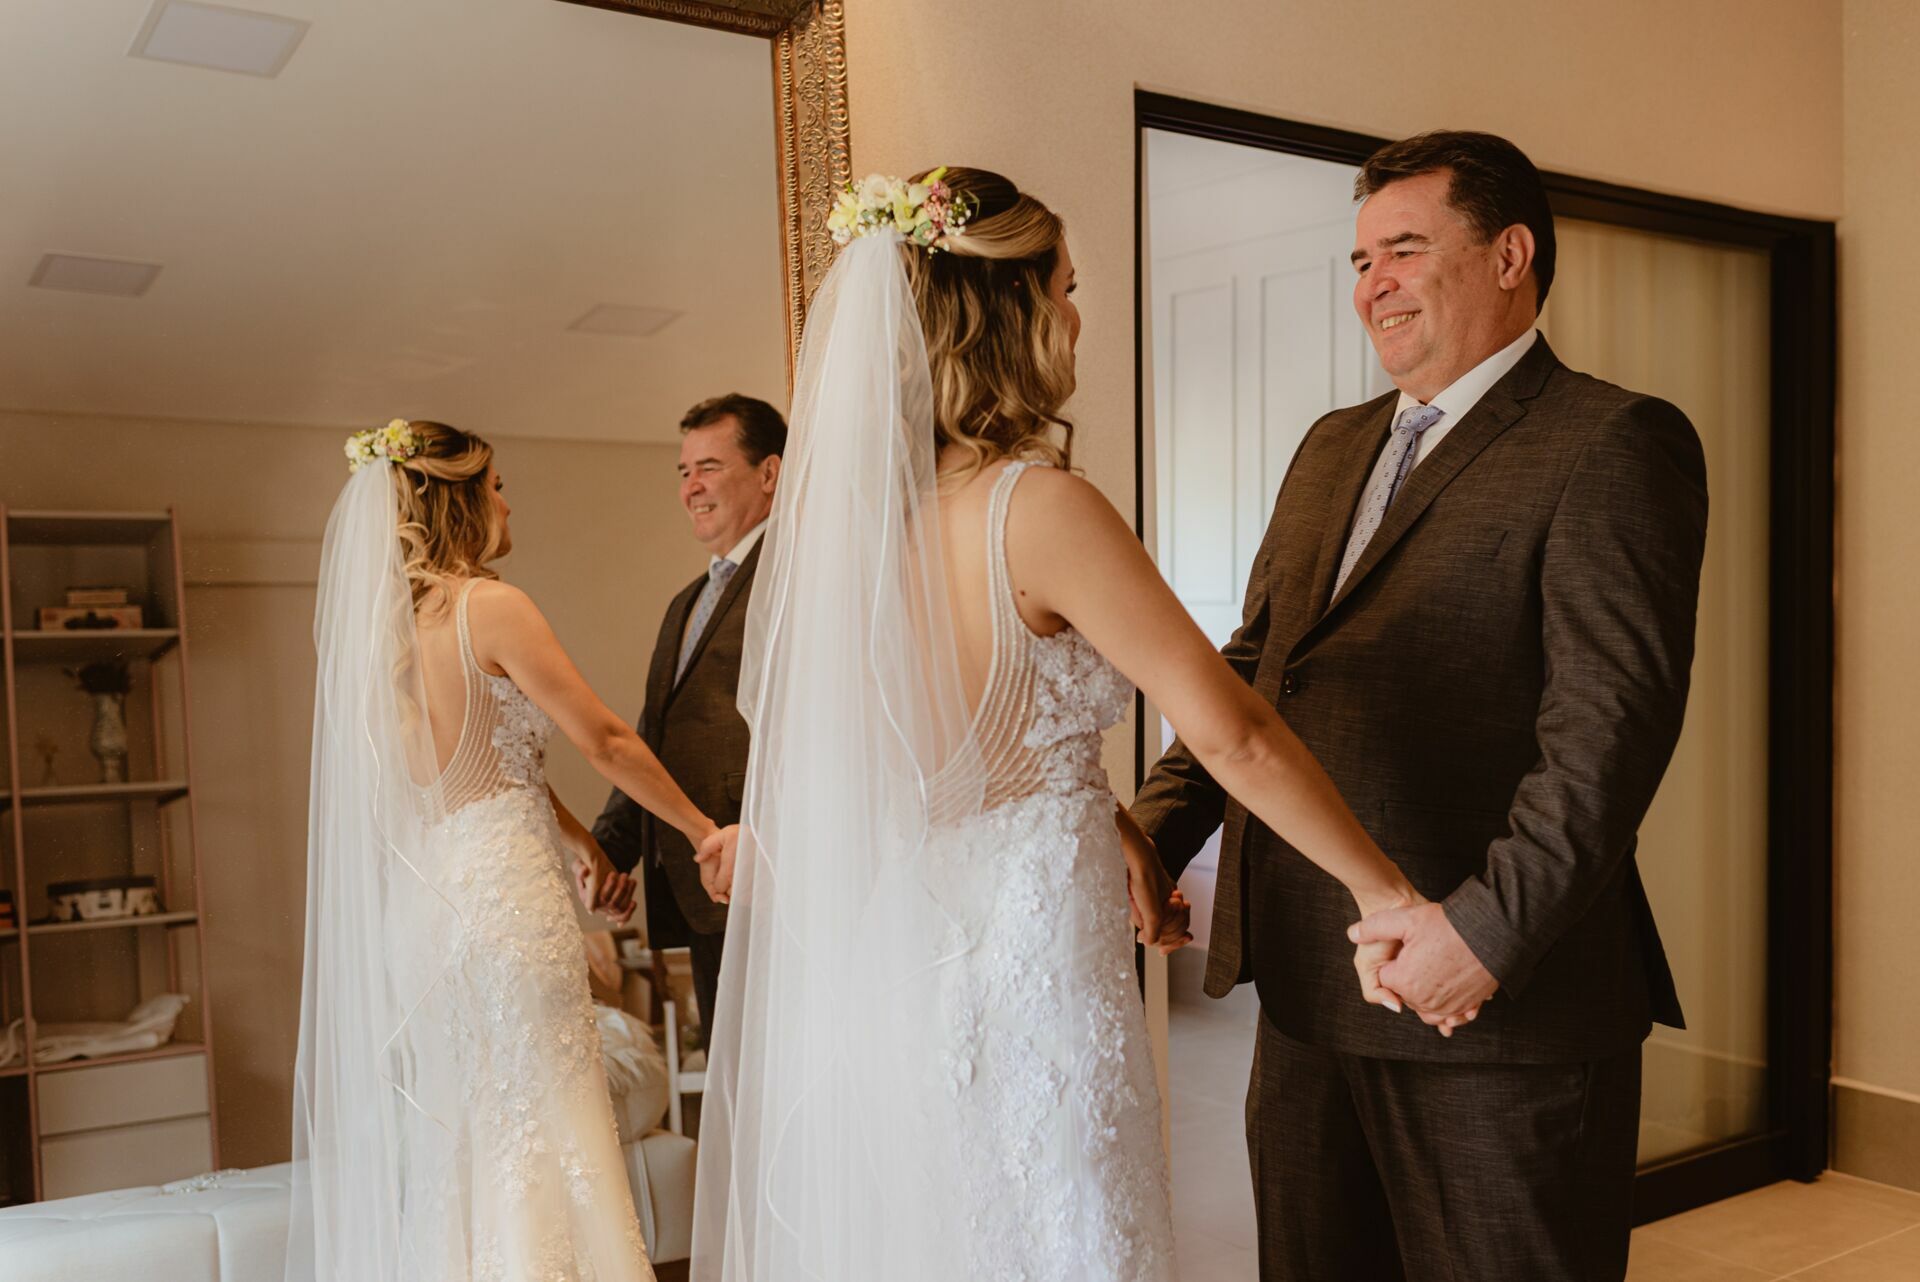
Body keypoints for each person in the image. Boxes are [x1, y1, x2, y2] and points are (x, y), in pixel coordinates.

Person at [691, 168, 1434, 1282]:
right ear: (1010, 313)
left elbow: (937, 761)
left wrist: (1112, 819)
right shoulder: (1037, 510)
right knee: (1058, 1219)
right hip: (1030, 975)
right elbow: (1232, 732)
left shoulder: (857, 541)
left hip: (909, 968)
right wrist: (1386, 893)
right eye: (1066, 288)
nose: (1077, 316)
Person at [1133, 131, 1709, 1281]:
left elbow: (1607, 734)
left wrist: (1481, 936)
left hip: (1498, 1010)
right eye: (1360, 261)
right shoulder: (1330, 445)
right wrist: (1155, 833)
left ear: (1510, 256)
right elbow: (1256, 668)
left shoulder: (1612, 439)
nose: (1373, 286)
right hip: (1309, 990)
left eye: (1402, 250)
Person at [289, 419, 732, 1281]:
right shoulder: (490, 607)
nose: (505, 503)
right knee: (547, 1123)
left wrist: (580, 842)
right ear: (456, 500)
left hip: (429, 916)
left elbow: (487, 770)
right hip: (505, 912)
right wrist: (698, 829)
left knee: (473, 1138)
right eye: (494, 486)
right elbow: (604, 739)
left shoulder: (387, 639)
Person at [592, 394, 785, 1049]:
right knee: (737, 1069)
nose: (691, 487)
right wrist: (612, 848)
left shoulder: (795, 578)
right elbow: (657, 734)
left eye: (709, 467)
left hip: (765, 869)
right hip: (702, 887)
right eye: (683, 472)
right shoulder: (687, 602)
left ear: (769, 473)